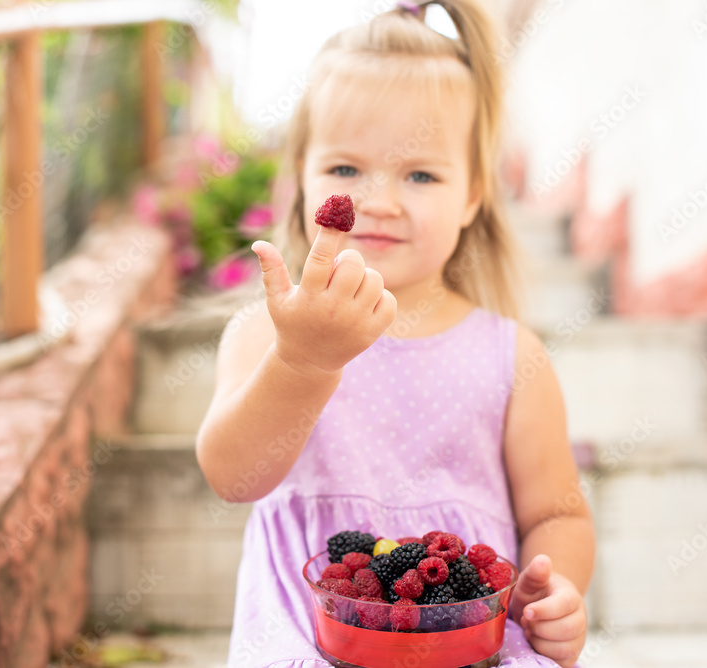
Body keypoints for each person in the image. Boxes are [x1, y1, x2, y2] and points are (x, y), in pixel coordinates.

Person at [195, 1, 595, 665]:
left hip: (474, 641)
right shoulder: (264, 334)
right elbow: (233, 477)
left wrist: (559, 592)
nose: (379, 199)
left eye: (420, 174)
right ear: (301, 181)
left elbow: (558, 513)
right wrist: (302, 363)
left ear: (473, 195)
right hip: (309, 637)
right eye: (347, 170)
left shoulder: (510, 355)